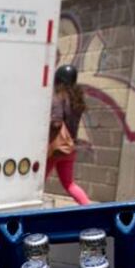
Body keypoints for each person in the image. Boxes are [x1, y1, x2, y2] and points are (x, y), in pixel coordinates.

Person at [45, 64, 92, 206]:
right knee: (70, 184)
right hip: (70, 148)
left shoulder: (58, 98)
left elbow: (56, 123)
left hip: (55, 150)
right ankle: (89, 208)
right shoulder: (76, 100)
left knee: (37, 184)